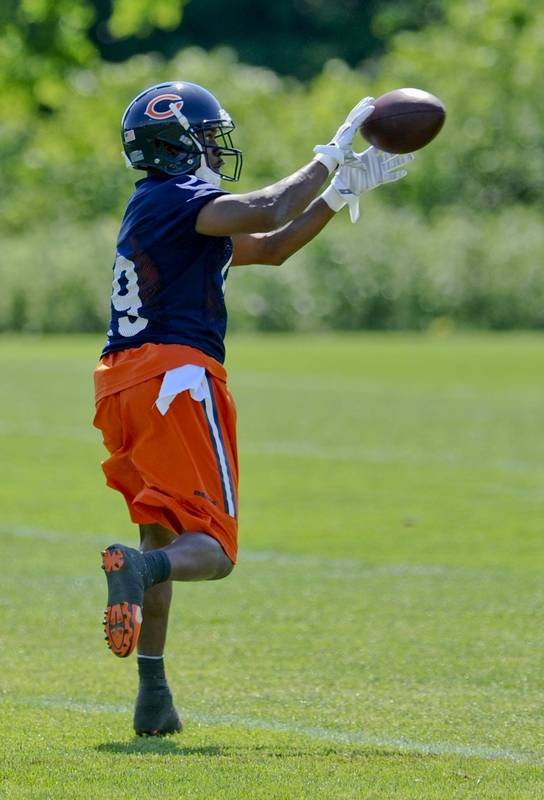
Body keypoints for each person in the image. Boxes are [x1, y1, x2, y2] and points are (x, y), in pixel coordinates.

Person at [93, 80, 412, 736]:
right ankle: (141, 570)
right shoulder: (181, 199)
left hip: (123, 383)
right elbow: (267, 208)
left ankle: (152, 692)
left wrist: (340, 193)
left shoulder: (158, 208)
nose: (216, 147)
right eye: (207, 136)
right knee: (212, 548)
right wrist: (331, 151)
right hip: (175, 376)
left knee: (163, 532)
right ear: (176, 144)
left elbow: (270, 247)